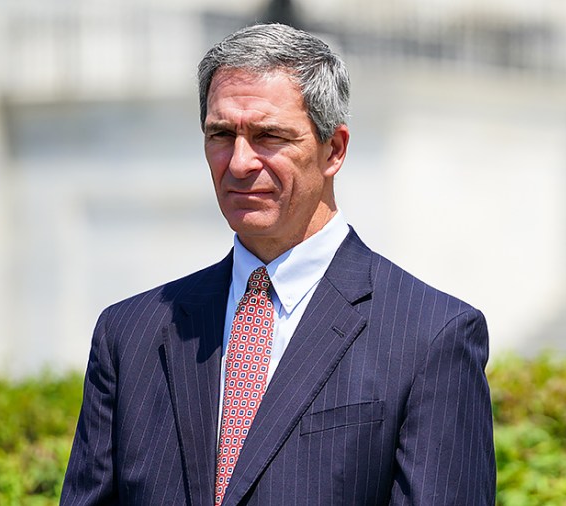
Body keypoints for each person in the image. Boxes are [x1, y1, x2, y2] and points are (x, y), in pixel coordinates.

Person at [60, 23, 495, 506]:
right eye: (221, 134)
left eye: (269, 136)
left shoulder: (431, 335)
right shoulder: (130, 333)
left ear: (335, 150)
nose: (240, 162)